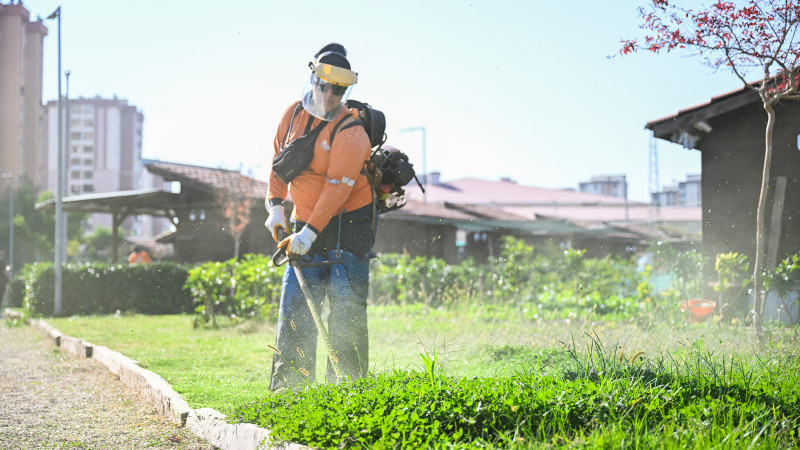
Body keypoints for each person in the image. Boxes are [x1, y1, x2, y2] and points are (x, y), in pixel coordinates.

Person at [265, 43, 376, 391]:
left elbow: (337, 189)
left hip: (349, 226)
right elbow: (279, 163)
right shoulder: (293, 115)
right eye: (324, 85)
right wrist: (275, 207)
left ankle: (348, 389)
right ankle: (289, 390)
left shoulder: (351, 131)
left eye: (338, 89)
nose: (329, 95)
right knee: (296, 306)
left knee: (345, 310)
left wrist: (309, 234)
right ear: (313, 80)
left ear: (346, 90)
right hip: (304, 223)